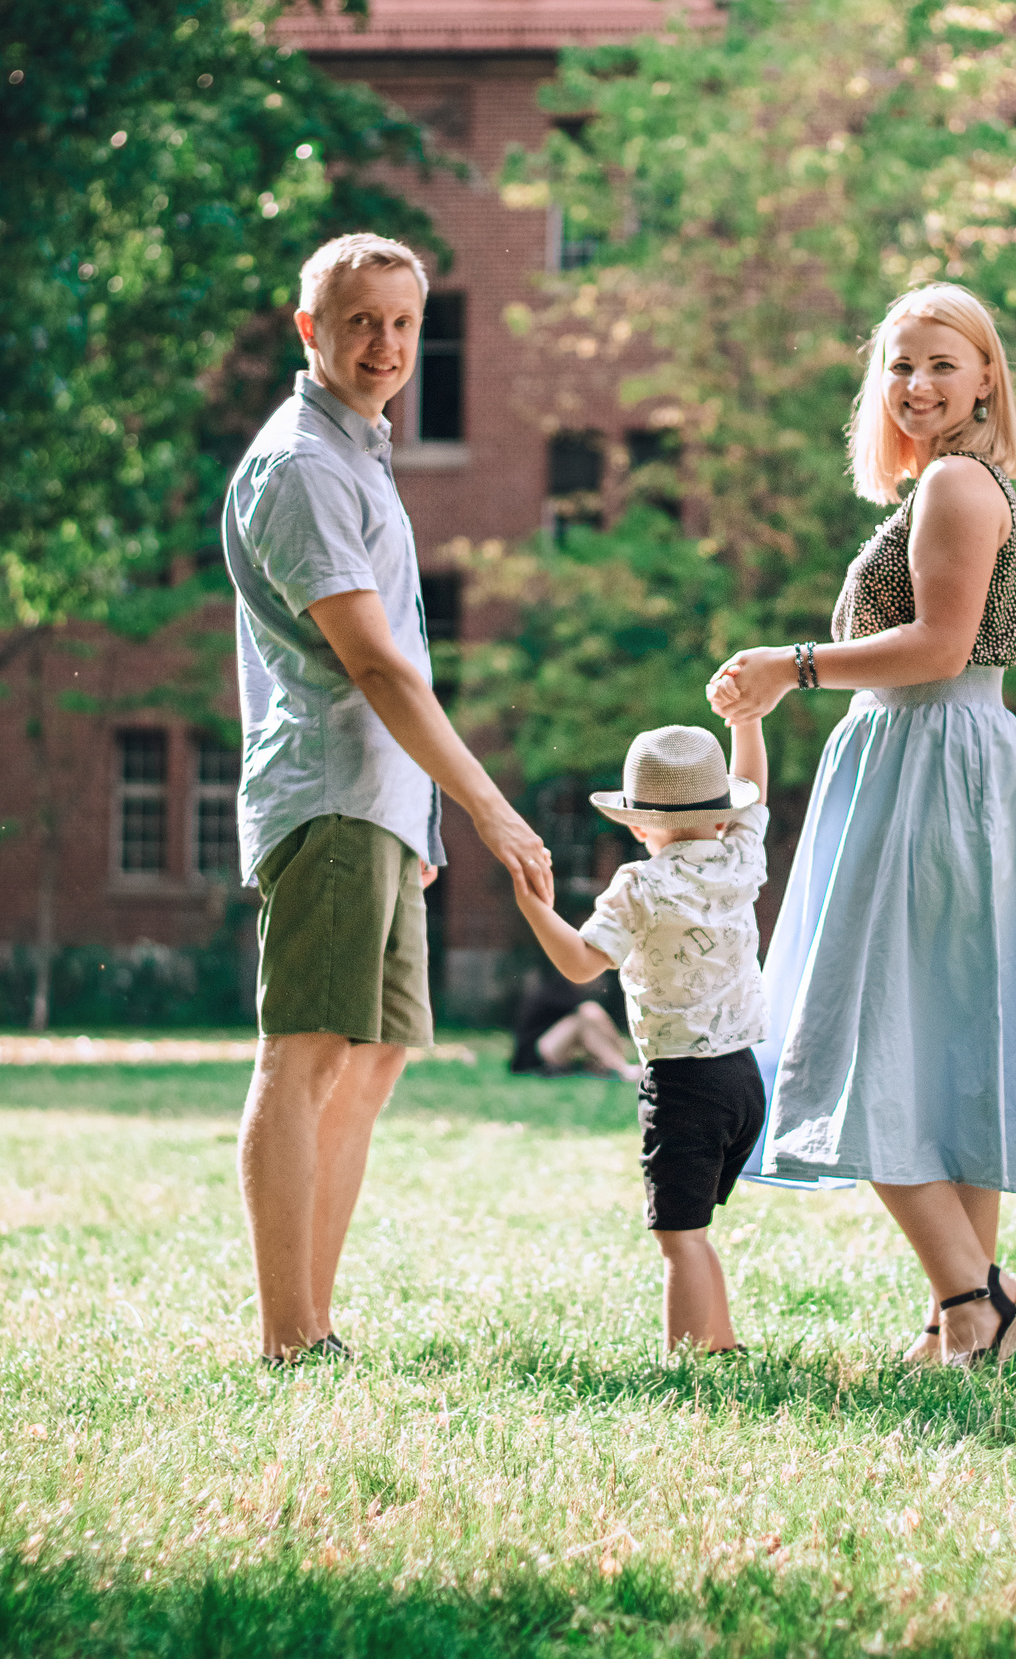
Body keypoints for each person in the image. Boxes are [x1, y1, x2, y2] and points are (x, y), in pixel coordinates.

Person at [708, 282, 1016, 1370]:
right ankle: (965, 1319)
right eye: (898, 366)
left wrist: (790, 668)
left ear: (987, 376)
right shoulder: (944, 485)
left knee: (851, 1040)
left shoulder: (956, 486)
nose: (918, 383)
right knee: (944, 1044)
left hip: (931, 763)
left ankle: (978, 1299)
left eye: (941, 363)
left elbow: (938, 647)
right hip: (927, 763)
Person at [223, 232, 554, 1365]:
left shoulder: (358, 456)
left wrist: (415, 814)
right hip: (327, 794)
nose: (385, 344)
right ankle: (286, 1341)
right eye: (360, 321)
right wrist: (485, 807)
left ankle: (316, 1326)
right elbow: (373, 665)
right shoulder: (303, 465)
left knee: (369, 1064)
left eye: (405, 323)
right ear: (309, 328)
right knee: (307, 1056)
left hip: (379, 804)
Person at [509, 721, 772, 1354]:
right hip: (743, 1079)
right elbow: (756, 794)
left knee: (678, 1238)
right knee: (695, 1229)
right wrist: (747, 722)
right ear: (721, 814)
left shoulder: (639, 885)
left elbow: (579, 963)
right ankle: (721, 1346)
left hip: (684, 1082)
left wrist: (535, 909)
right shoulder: (738, 858)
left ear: (636, 824)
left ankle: (685, 1361)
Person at [508, 967, 641, 1083]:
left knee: (591, 1011)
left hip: (549, 1049)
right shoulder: (560, 989)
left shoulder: (563, 988)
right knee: (589, 1011)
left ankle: (620, 1063)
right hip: (538, 1054)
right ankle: (622, 1068)